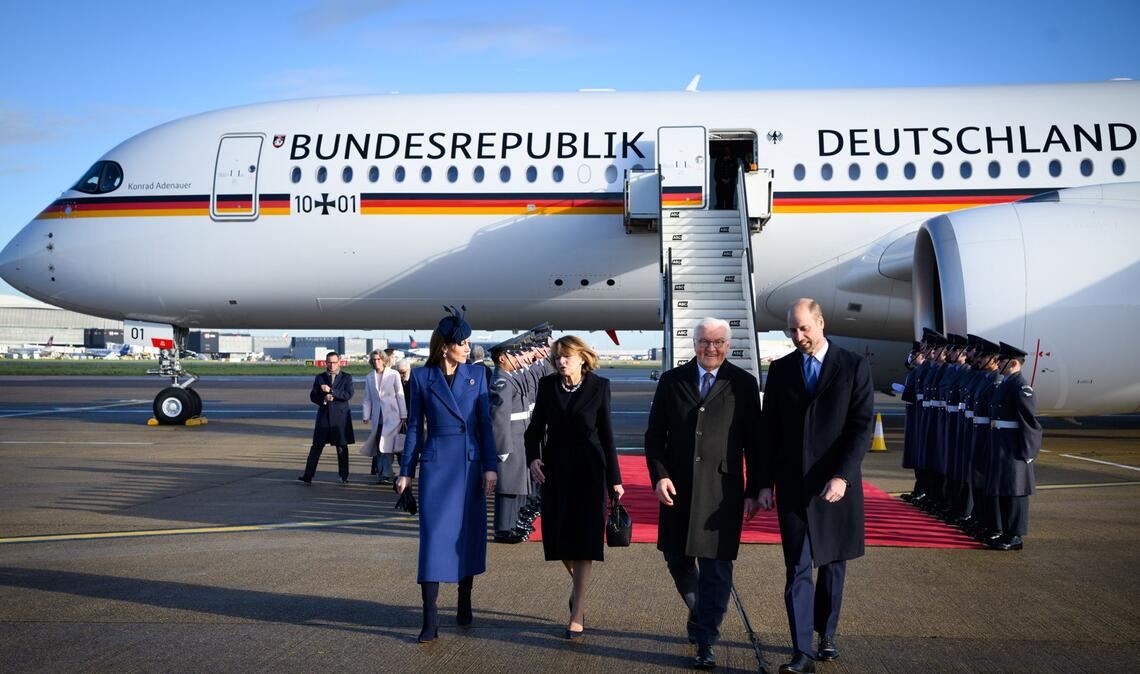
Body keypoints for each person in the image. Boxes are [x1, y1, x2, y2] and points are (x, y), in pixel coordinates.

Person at [750, 299, 873, 674]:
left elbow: (861, 427)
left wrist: (844, 475)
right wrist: (762, 484)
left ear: (820, 322)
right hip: (793, 487)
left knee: (833, 567)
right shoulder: (783, 369)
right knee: (798, 568)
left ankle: (826, 634)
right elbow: (767, 432)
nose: (798, 336)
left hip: (836, 486)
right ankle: (801, 651)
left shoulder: (852, 366)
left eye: (804, 328)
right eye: (792, 330)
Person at [644, 317, 760, 670]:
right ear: (693, 343)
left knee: (716, 568)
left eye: (718, 342)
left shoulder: (742, 383)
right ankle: (700, 611)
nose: (711, 349)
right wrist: (659, 477)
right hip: (678, 488)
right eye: (704, 342)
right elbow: (654, 437)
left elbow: (756, 445)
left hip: (721, 492)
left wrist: (755, 490)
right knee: (676, 559)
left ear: (728, 344)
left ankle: (706, 638)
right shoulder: (671, 381)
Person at [395, 307, 497, 643]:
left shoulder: (478, 376)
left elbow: (484, 424)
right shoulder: (423, 379)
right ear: (444, 346)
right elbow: (414, 428)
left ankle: (464, 601)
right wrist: (406, 471)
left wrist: (490, 467)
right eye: (462, 343)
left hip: (469, 466)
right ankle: (430, 618)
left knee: (465, 535)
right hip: (437, 467)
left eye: (468, 343)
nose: (468, 348)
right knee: (434, 537)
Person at [526, 335, 624, 640]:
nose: (561, 361)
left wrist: (615, 481)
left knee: (585, 542)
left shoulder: (599, 386)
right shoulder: (548, 386)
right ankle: (577, 588)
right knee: (558, 539)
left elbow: (607, 435)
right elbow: (533, 432)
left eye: (566, 356)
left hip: (590, 471)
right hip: (556, 471)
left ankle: (577, 611)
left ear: (583, 358)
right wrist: (533, 460)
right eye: (557, 357)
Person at [985, 342, 1042, 551]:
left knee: (1015, 493)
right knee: (1004, 490)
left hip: (1014, 448)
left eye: (1002, 360)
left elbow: (1029, 423)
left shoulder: (1021, 387)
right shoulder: (1005, 383)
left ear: (1014, 363)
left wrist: (1028, 452)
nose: (998, 363)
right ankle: (1006, 532)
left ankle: (1015, 536)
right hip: (1001, 444)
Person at [489, 343, 531, 543]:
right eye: (513, 355)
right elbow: (499, 417)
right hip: (510, 438)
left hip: (518, 435)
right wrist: (502, 446)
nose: (517, 358)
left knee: (515, 484)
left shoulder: (508, 377)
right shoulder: (501, 381)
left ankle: (511, 524)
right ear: (502, 358)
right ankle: (503, 529)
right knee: (507, 486)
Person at [298, 352, 355, 484]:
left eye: (334, 362)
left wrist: (332, 391)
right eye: (329, 362)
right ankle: (308, 475)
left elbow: (348, 394)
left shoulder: (346, 377)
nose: (332, 365)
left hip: (340, 418)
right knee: (316, 447)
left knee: (341, 448)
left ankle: (344, 476)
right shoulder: (320, 377)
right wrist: (323, 398)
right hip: (324, 417)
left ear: (339, 362)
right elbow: (313, 396)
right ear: (325, 362)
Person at [362, 349, 408, 484]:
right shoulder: (370, 376)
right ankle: (384, 473)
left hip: (393, 415)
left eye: (378, 359)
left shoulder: (393, 374)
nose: (376, 362)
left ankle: (385, 473)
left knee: (387, 445)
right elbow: (367, 398)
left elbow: (400, 394)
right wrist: (366, 415)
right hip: (378, 417)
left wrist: (403, 413)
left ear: (383, 360)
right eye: (374, 359)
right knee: (381, 445)